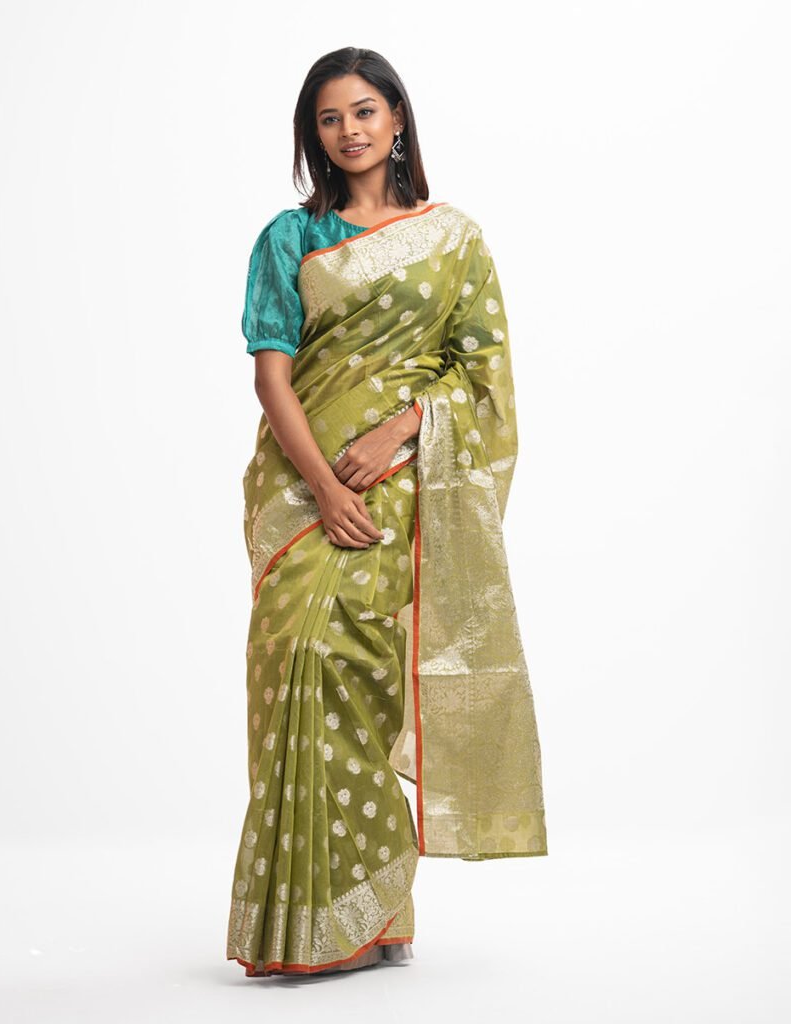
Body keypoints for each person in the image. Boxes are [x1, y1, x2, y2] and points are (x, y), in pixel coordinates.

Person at [226, 47, 548, 979]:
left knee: (356, 669)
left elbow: (481, 375)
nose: (349, 131)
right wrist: (325, 486)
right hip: (300, 493)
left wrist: (401, 431)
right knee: (294, 664)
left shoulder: (454, 240)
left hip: (403, 486)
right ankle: (305, 922)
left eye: (364, 111)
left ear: (397, 117)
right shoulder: (290, 238)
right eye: (329, 119)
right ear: (313, 134)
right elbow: (272, 376)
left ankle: (372, 911)